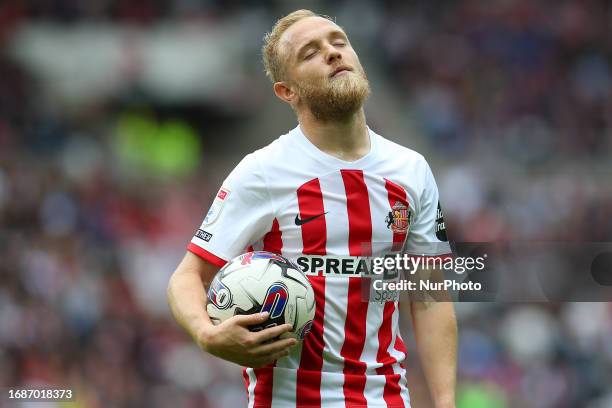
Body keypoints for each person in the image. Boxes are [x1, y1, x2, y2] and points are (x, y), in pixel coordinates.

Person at [167, 9, 457, 408]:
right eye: (311, 52)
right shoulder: (263, 171)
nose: (333, 53)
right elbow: (187, 277)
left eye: (339, 42)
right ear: (287, 91)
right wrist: (207, 333)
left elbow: (429, 297)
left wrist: (445, 402)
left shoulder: (411, 170)